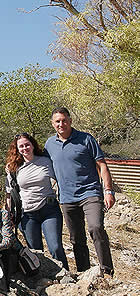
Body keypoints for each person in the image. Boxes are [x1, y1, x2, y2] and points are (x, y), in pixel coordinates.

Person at [44, 107, 115, 275]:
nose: (61, 124)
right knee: (76, 238)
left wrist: (109, 190)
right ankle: (85, 272)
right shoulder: (49, 144)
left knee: (96, 228)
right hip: (67, 198)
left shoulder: (86, 139)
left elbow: (102, 165)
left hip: (90, 193)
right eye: (57, 121)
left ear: (70, 120)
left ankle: (106, 270)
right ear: (52, 124)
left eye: (64, 120)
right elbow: (39, 162)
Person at [5, 133, 68, 270]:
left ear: (33, 145)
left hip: (49, 209)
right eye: (21, 146)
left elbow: (61, 178)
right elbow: (9, 193)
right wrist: (9, 213)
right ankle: (42, 280)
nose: (25, 148)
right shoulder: (13, 168)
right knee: (36, 252)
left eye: (27, 144)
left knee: (55, 247)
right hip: (27, 213)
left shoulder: (46, 161)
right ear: (16, 149)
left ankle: (65, 276)